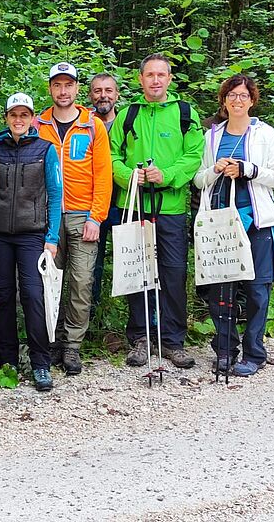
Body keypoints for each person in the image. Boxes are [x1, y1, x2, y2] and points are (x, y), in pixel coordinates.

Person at [108, 54, 204, 369]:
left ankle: (173, 340)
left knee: (173, 273)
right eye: (149, 75)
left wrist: (167, 174)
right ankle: (140, 339)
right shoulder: (127, 114)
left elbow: (194, 156)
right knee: (137, 273)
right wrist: (128, 176)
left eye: (161, 75)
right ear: (140, 79)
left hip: (171, 207)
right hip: (133, 203)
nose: (155, 80)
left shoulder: (185, 114)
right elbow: (110, 155)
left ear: (170, 78)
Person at [193, 74, 274, 377]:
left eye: (243, 95)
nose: (237, 100)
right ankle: (225, 348)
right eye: (231, 95)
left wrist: (248, 169)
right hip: (222, 224)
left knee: (258, 290)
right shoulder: (212, 137)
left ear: (252, 100)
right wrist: (214, 170)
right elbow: (198, 179)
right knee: (222, 289)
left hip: (258, 221)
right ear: (224, 100)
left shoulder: (265, 134)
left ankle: (254, 352)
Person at [0, 93, 62, 391]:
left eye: (24, 114)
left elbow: (55, 195)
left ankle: (41, 363)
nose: (19, 120)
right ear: (7, 117)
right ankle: (7, 360)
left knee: (33, 297)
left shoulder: (45, 149)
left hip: (32, 235)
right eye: (14, 114)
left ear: (33, 118)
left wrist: (52, 238)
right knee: (2, 296)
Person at [37, 63, 112, 375]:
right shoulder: (37, 124)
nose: (63, 91)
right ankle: (48, 341)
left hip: (83, 216)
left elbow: (104, 175)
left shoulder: (92, 125)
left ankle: (72, 346)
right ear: (51, 88)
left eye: (68, 85)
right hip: (46, 217)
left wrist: (96, 217)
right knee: (47, 282)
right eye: (57, 85)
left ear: (77, 89)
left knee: (81, 282)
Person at [88, 73, 122, 315]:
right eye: (98, 90)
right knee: (92, 263)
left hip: (122, 202)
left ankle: (129, 320)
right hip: (92, 204)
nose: (103, 95)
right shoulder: (84, 125)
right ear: (90, 95)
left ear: (116, 95)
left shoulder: (127, 124)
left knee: (127, 259)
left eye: (108, 90)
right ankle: (91, 315)